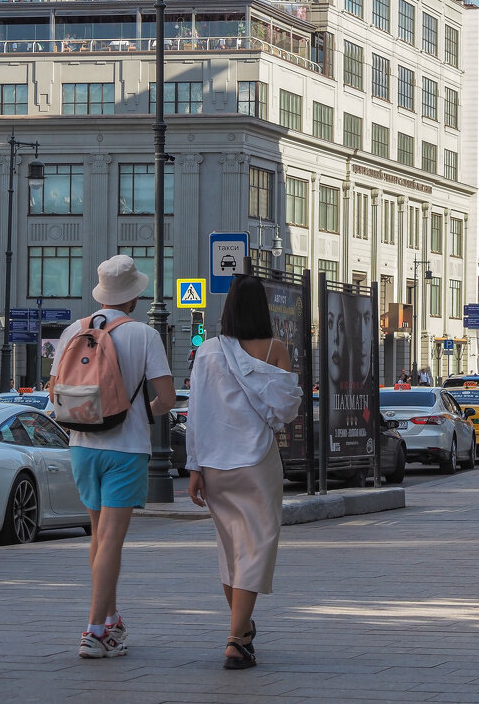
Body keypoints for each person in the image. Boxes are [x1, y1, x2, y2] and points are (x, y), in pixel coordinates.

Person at [51, 255, 175, 659]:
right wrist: (134, 411)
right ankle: (93, 631)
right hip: (126, 448)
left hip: (82, 445)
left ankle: (110, 620)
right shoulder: (144, 335)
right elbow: (167, 399)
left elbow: (56, 390)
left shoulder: (74, 329)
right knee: (112, 541)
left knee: (98, 537)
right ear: (135, 296)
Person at [186, 275, 302, 670]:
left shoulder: (208, 352)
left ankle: (244, 629)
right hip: (256, 463)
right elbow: (287, 411)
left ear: (229, 310)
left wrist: (194, 467)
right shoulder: (275, 349)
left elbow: (195, 413)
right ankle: (236, 639)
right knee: (257, 545)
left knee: (231, 550)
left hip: (215, 464)